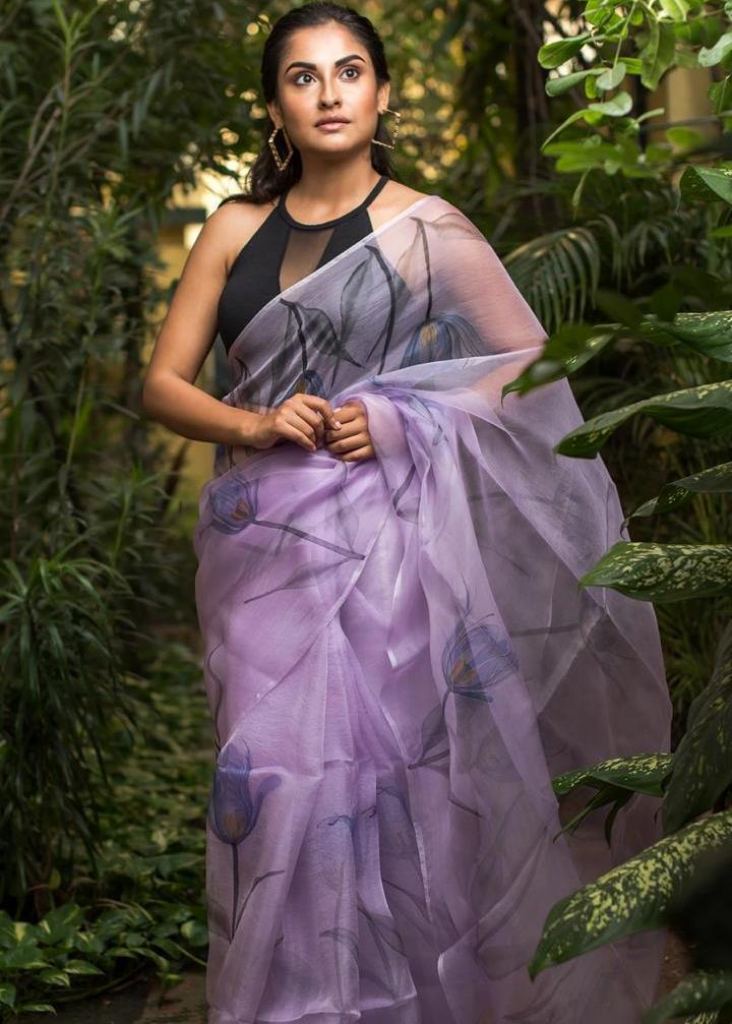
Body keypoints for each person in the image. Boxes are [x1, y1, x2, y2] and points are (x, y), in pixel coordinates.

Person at [142, 3, 673, 1022]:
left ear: (382, 95)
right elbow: (163, 384)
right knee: (275, 780)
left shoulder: (427, 228)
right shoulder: (233, 229)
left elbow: (527, 370)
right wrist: (256, 422)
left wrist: (396, 419)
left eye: (350, 72)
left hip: (391, 548)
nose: (329, 93)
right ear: (274, 108)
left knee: (400, 784)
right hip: (263, 555)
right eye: (303, 76)